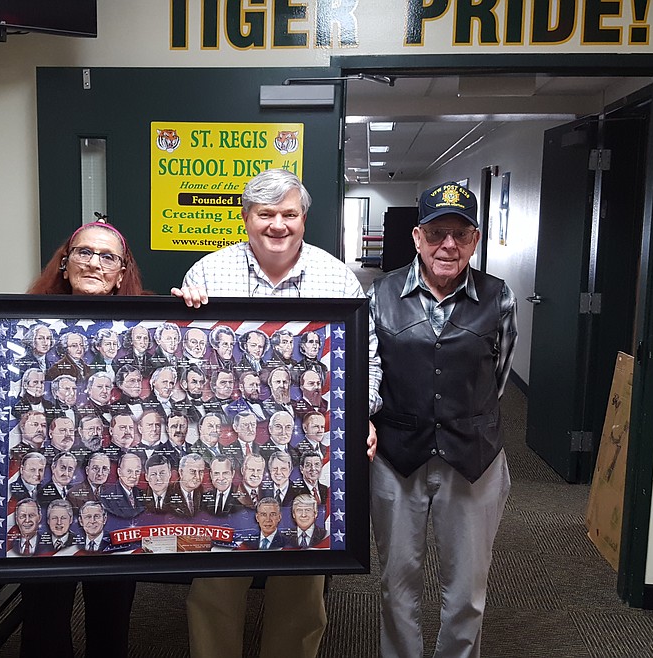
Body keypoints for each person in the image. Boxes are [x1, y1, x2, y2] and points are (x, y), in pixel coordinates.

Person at [172, 168, 369, 658]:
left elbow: (369, 358)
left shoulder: (335, 276)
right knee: (217, 579)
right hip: (224, 453)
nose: (277, 224)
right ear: (246, 219)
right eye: (266, 214)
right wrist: (179, 319)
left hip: (307, 452)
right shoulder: (207, 274)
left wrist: (361, 413)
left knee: (302, 584)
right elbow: (181, 362)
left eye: (289, 213)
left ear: (304, 219)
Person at [0, 219, 143, 658]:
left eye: (107, 256)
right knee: (44, 619)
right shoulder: (25, 325)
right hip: (43, 494)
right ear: (65, 262)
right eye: (84, 252)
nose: (94, 262)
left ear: (121, 272)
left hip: (113, 495)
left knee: (112, 617)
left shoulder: (145, 328)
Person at [368, 181, 517, 658]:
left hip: (473, 459)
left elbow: (497, 380)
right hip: (397, 460)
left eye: (460, 233)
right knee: (397, 586)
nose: (447, 245)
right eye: (436, 233)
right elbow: (372, 372)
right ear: (417, 237)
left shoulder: (500, 298)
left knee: (467, 593)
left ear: (474, 240)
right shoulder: (381, 294)